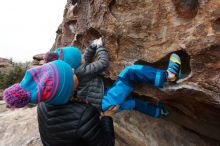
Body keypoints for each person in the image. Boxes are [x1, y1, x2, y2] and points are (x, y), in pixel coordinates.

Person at [44, 38, 181, 118]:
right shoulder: (82, 71)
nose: (83, 56)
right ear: (75, 64)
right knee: (129, 72)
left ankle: (159, 112)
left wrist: (92, 46)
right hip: (108, 98)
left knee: (134, 103)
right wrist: (100, 48)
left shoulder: (74, 72)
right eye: (79, 56)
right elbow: (103, 63)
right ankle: (169, 76)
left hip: (104, 105)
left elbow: (84, 58)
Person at [37, 101, 119, 146]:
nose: (74, 72)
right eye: (71, 74)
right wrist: (107, 117)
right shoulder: (84, 113)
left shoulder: (41, 105)